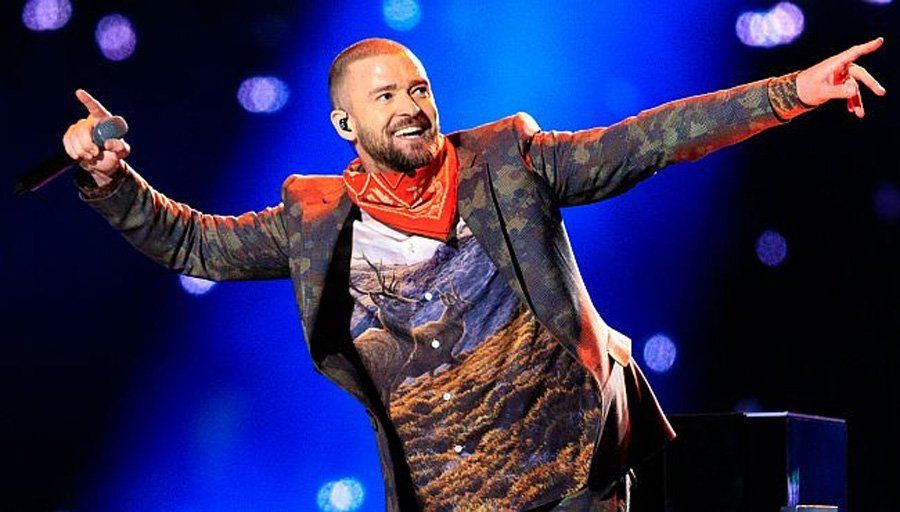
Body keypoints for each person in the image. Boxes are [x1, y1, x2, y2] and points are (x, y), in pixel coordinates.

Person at [62, 37, 886, 511]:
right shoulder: (314, 219)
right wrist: (110, 181)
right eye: (387, 97)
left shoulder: (508, 161)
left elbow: (647, 141)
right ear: (345, 122)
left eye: (419, 88)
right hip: (448, 494)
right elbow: (194, 245)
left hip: (575, 476)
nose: (412, 106)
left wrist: (791, 90)